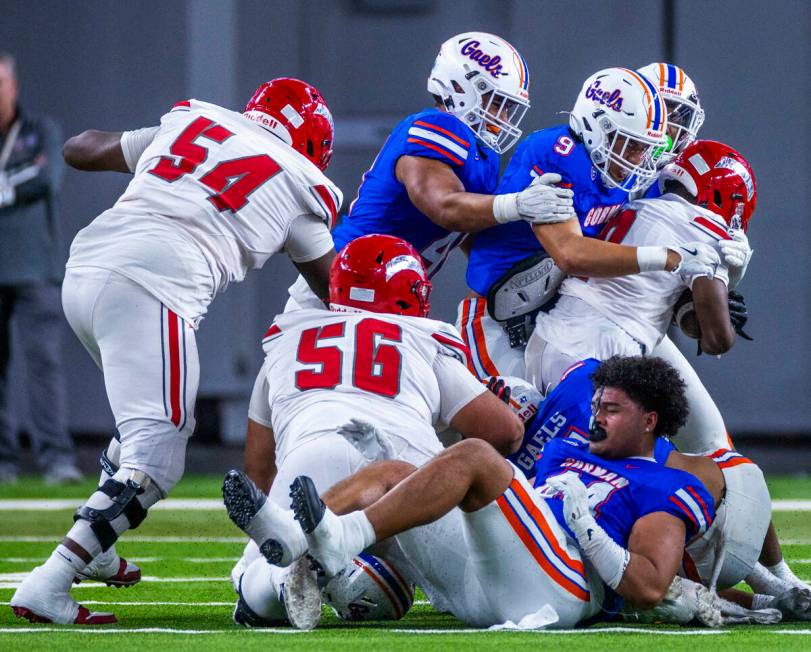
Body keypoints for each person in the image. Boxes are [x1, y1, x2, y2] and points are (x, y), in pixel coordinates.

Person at [10, 77, 342, 625]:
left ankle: (100, 548)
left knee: (142, 424)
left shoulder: (193, 123)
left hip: (86, 270)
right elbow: (335, 286)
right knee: (157, 456)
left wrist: (157, 158)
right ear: (311, 146)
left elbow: (79, 148)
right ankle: (50, 582)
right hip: (151, 289)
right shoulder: (303, 186)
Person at [277, 355, 718, 629]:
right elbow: (489, 501)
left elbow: (647, 587)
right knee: (391, 470)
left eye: (612, 409)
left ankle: (343, 538)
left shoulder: (668, 484)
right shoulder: (563, 449)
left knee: (476, 456)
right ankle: (292, 545)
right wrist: (390, 458)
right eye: (597, 405)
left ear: (649, 421)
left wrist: (588, 529)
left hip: (564, 589)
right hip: (492, 579)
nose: (596, 417)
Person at [222, 233, 522, 629]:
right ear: (409, 293)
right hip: (403, 467)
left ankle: (281, 576)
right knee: (479, 589)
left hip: (310, 459)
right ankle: (341, 554)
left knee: (251, 578)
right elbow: (503, 431)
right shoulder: (421, 340)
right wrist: (446, 434)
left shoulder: (286, 340)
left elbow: (258, 471)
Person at [459, 66, 729, 379]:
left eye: (677, 118)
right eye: (632, 144)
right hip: (504, 319)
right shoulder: (558, 154)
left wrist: (718, 282)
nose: (668, 132)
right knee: (522, 421)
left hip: (578, 318)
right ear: (601, 125)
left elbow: (649, 275)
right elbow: (570, 254)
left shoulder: (642, 174)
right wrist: (672, 257)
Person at [525, 139, 754, 455]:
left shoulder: (633, 205)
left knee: (544, 463)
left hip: (549, 339)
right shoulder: (709, 232)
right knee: (600, 473)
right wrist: (729, 274)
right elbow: (716, 339)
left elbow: (673, 303)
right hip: (604, 354)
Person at [0, 52, 82, 485]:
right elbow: (28, 181)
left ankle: (55, 458)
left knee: (44, 365)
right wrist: (18, 181)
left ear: (13, 87)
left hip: (35, 269)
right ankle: (3, 460)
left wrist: (10, 185)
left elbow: (46, 180)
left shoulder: (40, 132)